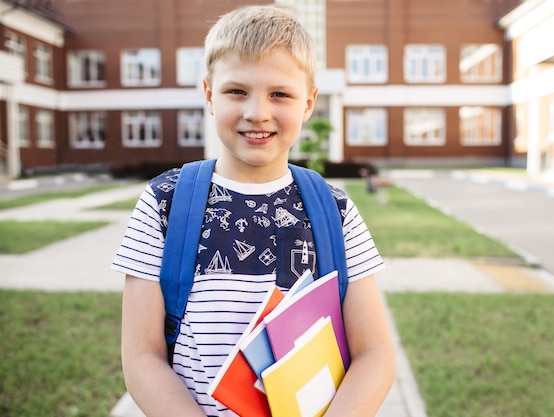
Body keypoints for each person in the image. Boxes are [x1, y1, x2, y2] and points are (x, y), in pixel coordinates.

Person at [112, 4, 395, 416]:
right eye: (237, 91)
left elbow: (374, 355)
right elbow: (141, 357)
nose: (257, 113)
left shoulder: (335, 211)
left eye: (280, 93)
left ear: (309, 103)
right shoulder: (163, 204)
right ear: (209, 94)